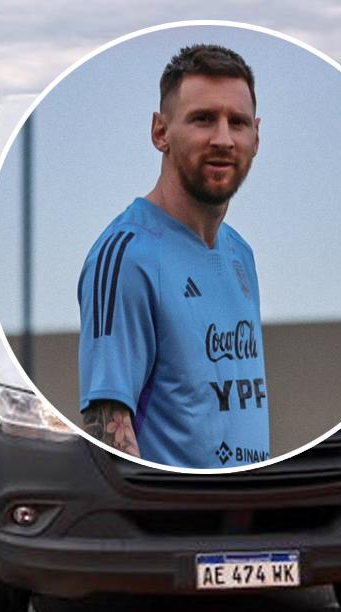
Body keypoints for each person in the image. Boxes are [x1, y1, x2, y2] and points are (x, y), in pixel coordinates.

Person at [78, 43, 270, 468]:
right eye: (203, 119)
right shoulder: (126, 255)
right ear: (160, 132)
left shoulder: (242, 255)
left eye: (237, 122)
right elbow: (106, 428)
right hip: (174, 525)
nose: (223, 139)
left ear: (256, 136)